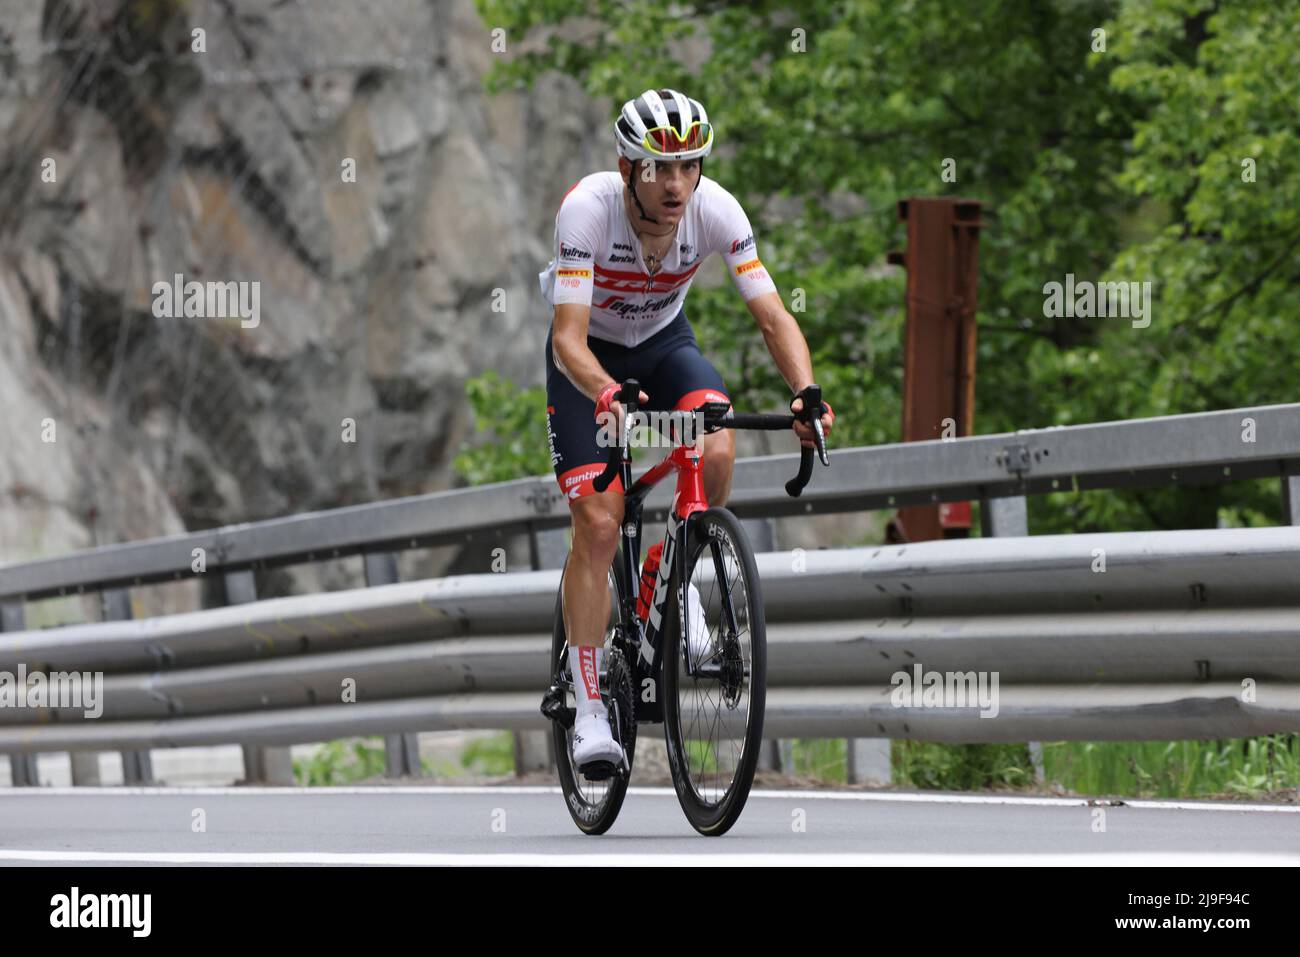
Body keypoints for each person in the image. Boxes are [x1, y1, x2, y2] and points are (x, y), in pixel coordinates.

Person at [537, 88, 834, 771]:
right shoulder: (587, 211)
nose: (675, 184)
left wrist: (806, 393)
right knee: (599, 518)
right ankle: (586, 708)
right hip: (591, 360)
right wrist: (609, 393)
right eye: (658, 168)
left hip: (666, 343)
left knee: (718, 438)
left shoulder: (717, 209)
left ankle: (678, 582)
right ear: (626, 168)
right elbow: (568, 340)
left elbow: (772, 315)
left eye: (688, 166)